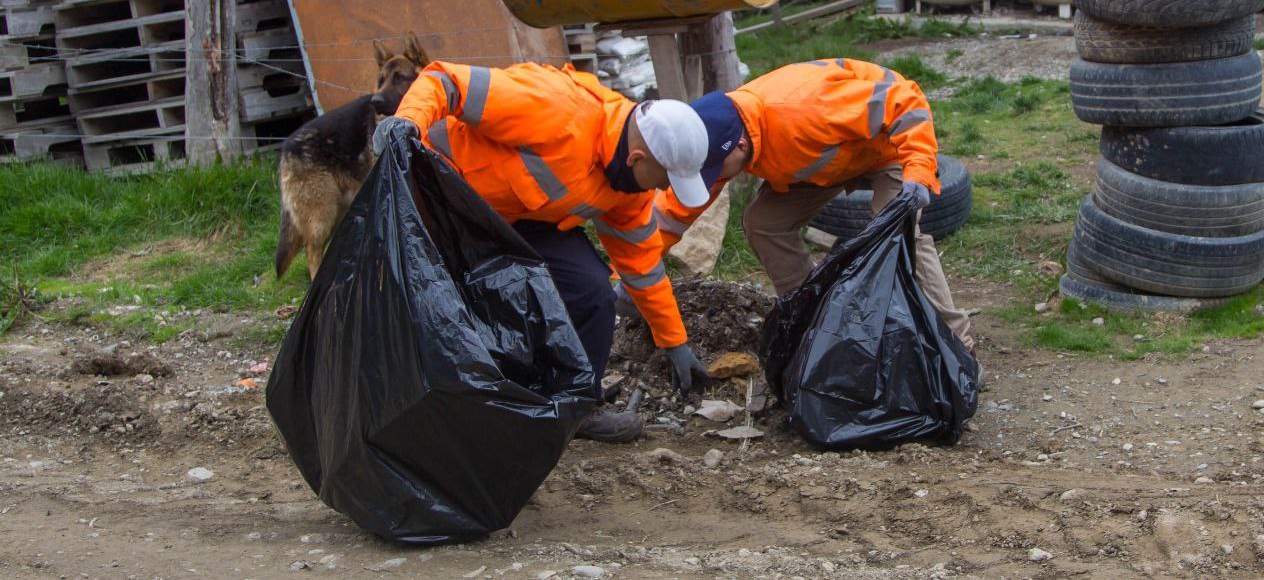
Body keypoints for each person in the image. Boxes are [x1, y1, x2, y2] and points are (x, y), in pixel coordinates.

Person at [373, 61, 713, 442]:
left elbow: (642, 265)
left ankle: (573, 408)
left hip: (519, 218)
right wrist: (408, 123)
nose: (665, 188)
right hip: (441, 198)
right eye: (666, 177)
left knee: (592, 293)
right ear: (638, 158)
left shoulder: (628, 187)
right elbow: (446, 80)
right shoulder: (553, 107)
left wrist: (674, 341)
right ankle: (433, 409)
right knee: (442, 306)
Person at [650, 58, 980, 374]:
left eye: (710, 171)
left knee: (896, 229)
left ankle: (956, 345)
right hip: (829, 160)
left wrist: (919, 171)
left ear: (737, 146)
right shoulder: (722, 135)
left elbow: (904, 99)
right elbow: (674, 214)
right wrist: (638, 273)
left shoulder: (803, 110)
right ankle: (814, 325)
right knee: (764, 224)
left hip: (884, 147)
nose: (711, 180)